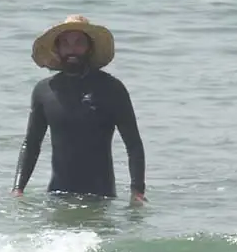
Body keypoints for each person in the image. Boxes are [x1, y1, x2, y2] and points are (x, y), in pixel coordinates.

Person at [13, 14, 147, 203]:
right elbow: (31, 143)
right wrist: (18, 189)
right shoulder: (44, 91)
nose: (72, 49)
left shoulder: (112, 89)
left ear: (89, 48)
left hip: (100, 197)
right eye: (65, 44)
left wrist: (137, 191)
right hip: (57, 196)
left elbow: (133, 144)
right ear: (57, 49)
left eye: (78, 43)